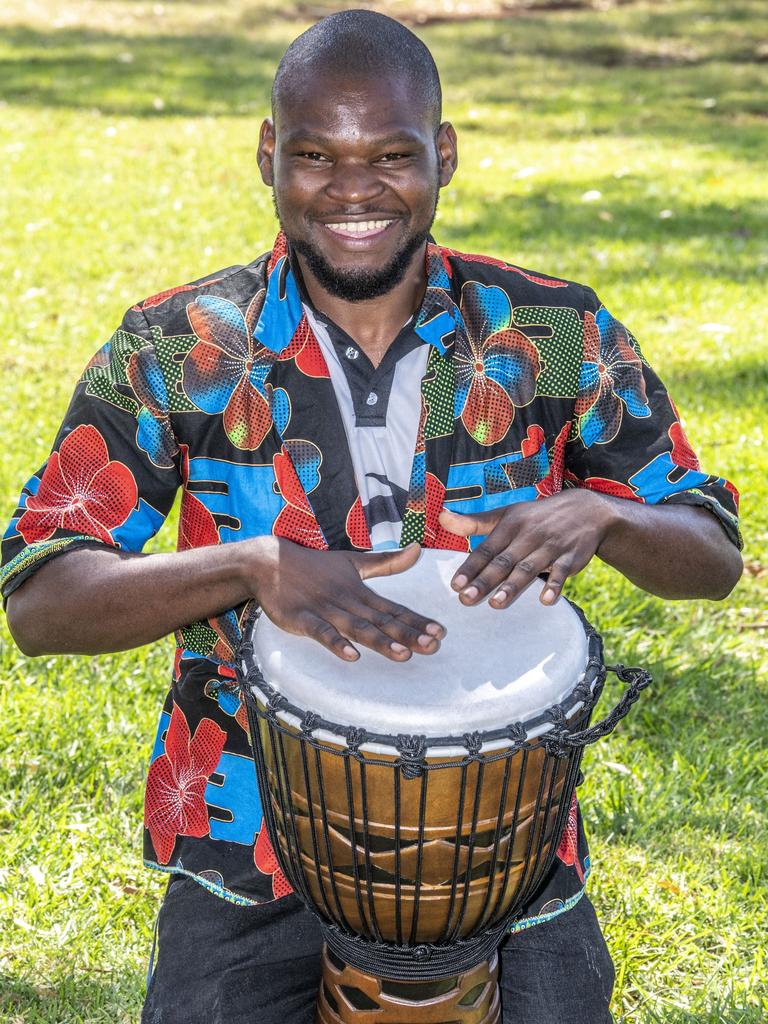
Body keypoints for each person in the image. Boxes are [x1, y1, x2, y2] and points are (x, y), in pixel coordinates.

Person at [1, 9, 742, 1024]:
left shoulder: (549, 333)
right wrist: (250, 567)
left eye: (391, 154)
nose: (354, 188)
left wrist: (602, 518)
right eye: (316, 154)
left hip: (502, 849)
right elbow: (42, 599)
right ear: (270, 155)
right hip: (248, 837)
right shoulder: (178, 346)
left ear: (442, 154)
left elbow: (708, 551)